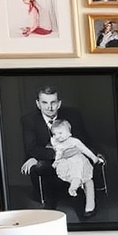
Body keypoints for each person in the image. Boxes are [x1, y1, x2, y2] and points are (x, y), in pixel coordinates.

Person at [20, 83, 98, 211]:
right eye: (44, 103)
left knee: (79, 165)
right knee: (42, 166)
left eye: (53, 103)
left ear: (59, 103)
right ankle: (51, 203)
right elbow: (32, 148)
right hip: (49, 159)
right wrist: (44, 156)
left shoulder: (73, 115)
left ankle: (80, 200)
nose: (49, 107)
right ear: (38, 104)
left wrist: (75, 152)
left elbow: (83, 140)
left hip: (74, 156)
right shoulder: (29, 120)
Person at [49, 118, 100, 215]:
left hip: (77, 160)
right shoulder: (56, 142)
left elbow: (85, 150)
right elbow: (58, 153)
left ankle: (75, 186)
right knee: (74, 171)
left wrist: (94, 158)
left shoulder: (74, 141)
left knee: (79, 169)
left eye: (60, 133)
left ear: (68, 132)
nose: (58, 137)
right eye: (55, 134)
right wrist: (56, 161)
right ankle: (75, 184)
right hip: (65, 163)